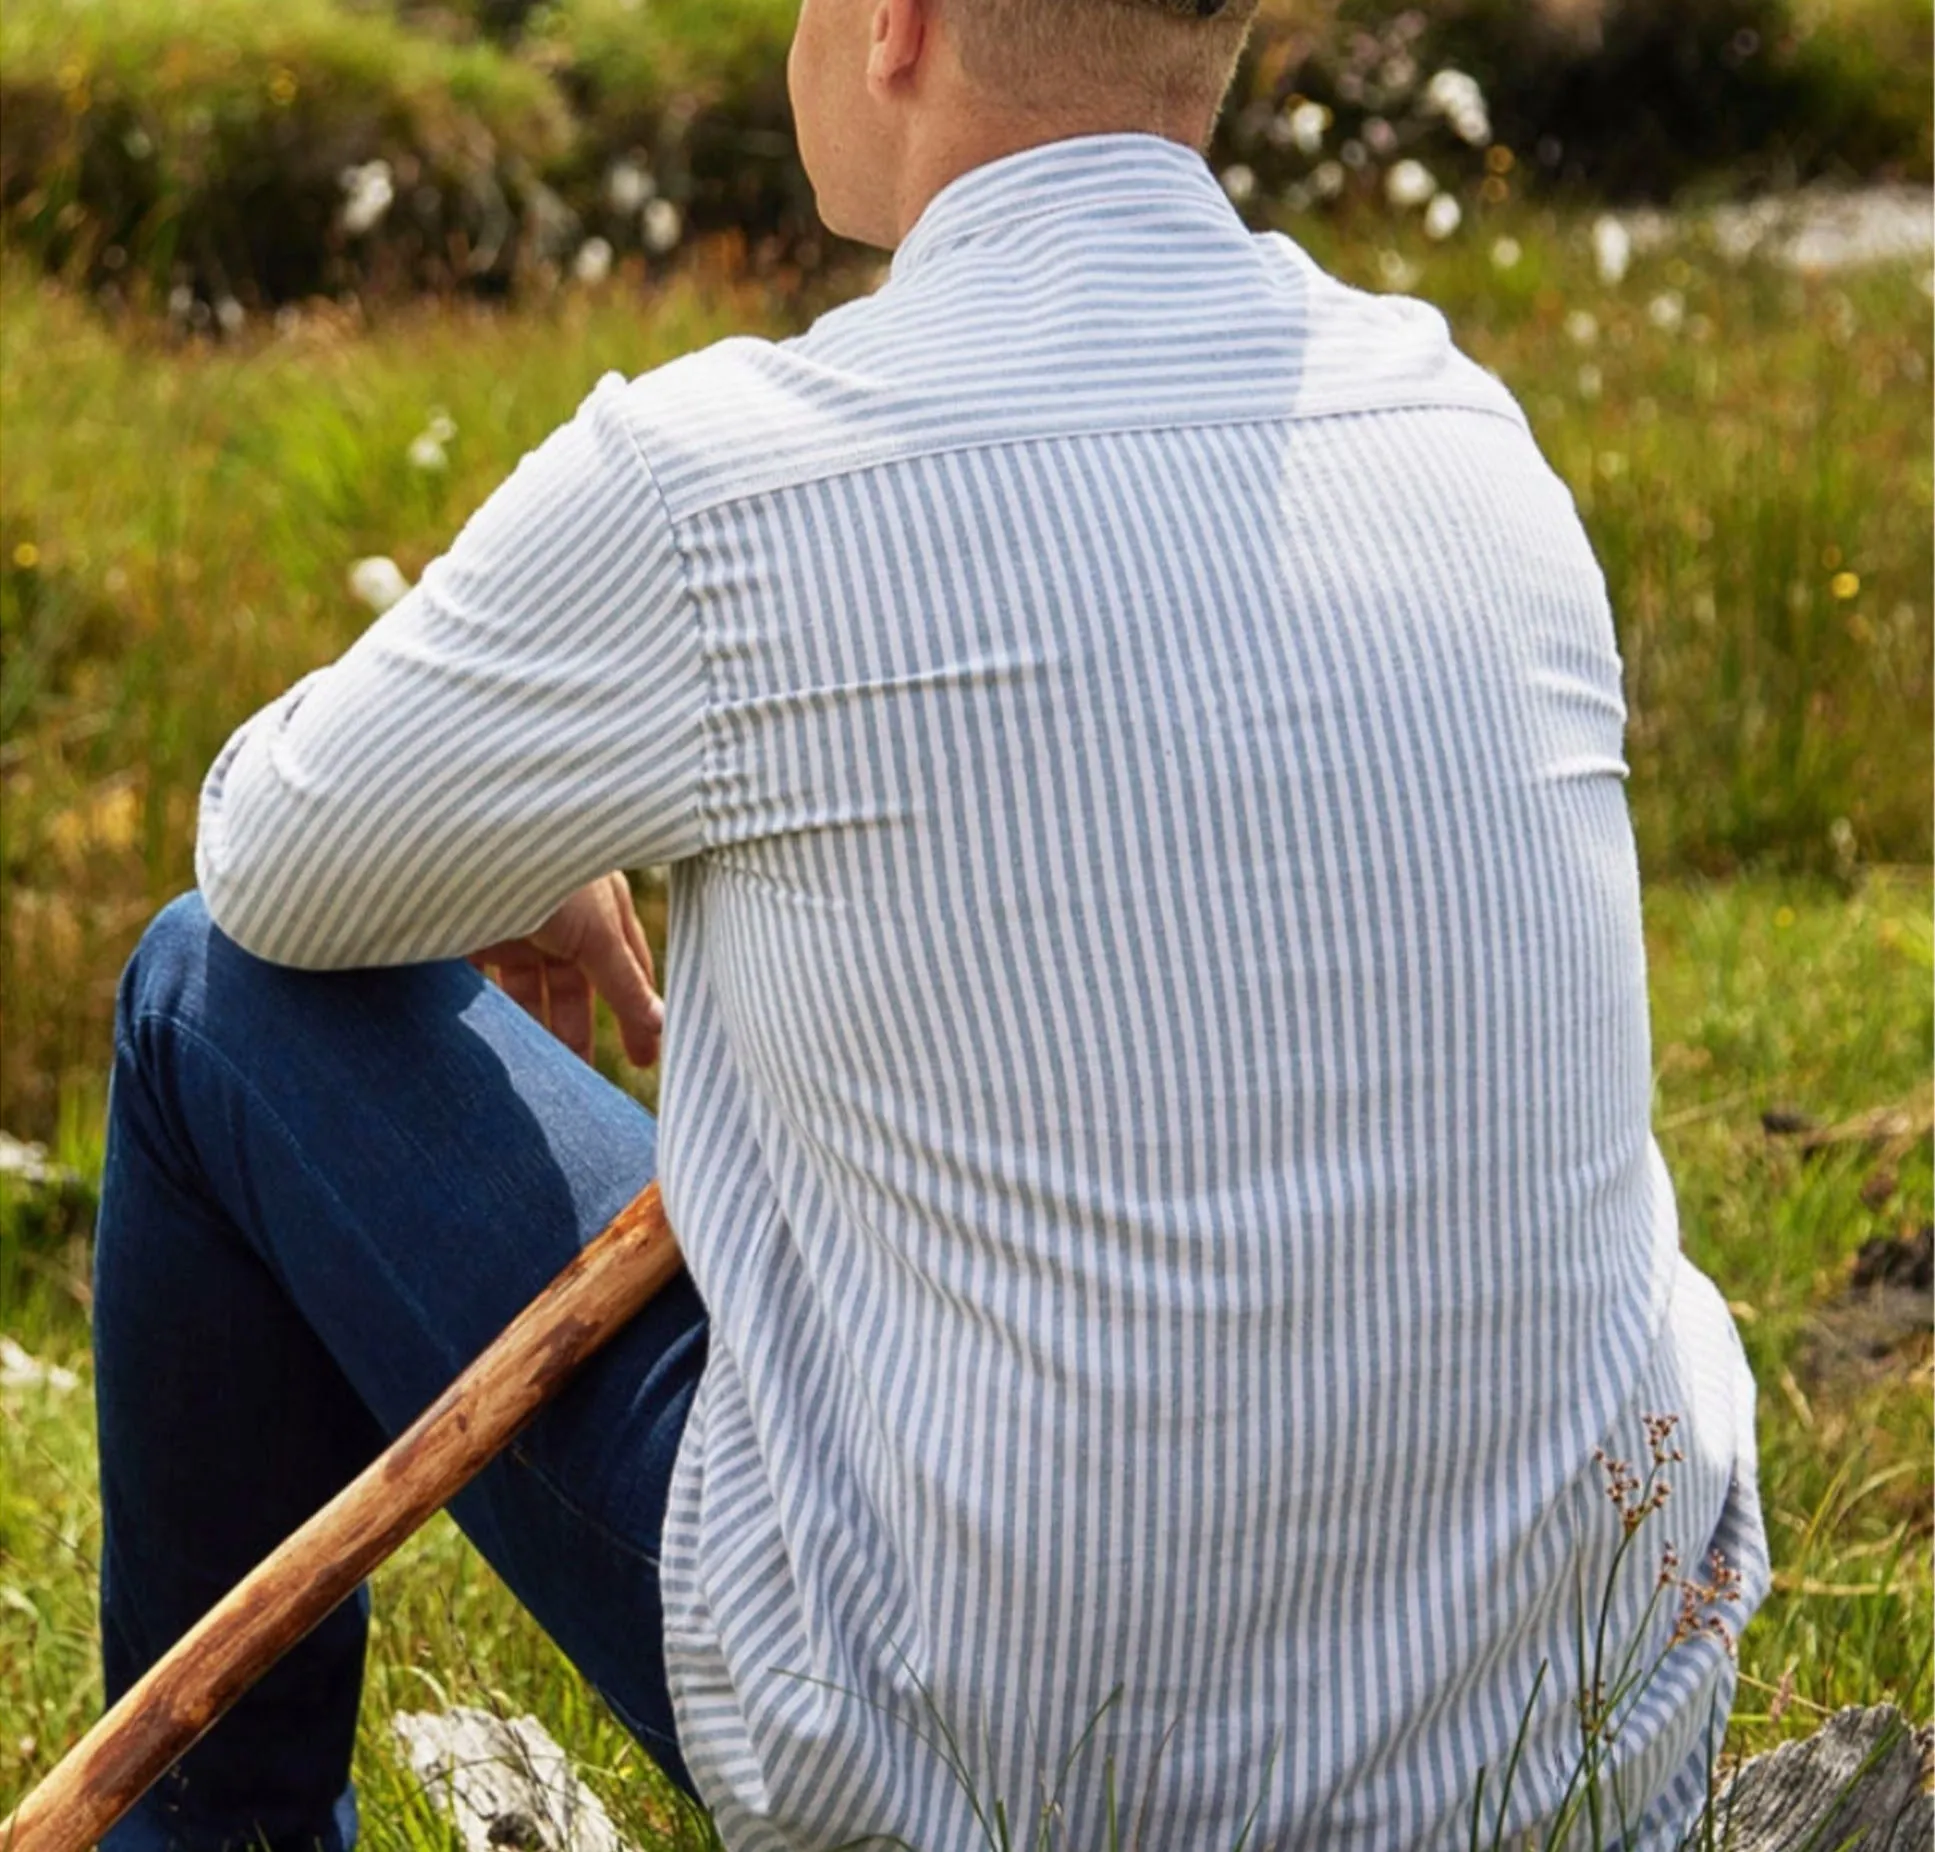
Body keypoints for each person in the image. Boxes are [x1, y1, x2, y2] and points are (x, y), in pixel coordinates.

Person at [92, 0, 1770, 1844]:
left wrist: (512, 847)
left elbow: (272, 858)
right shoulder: (1472, 437)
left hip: (994, 1771)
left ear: (894, 22)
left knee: (204, 995)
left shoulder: (719, 479)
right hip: (1573, 1737)